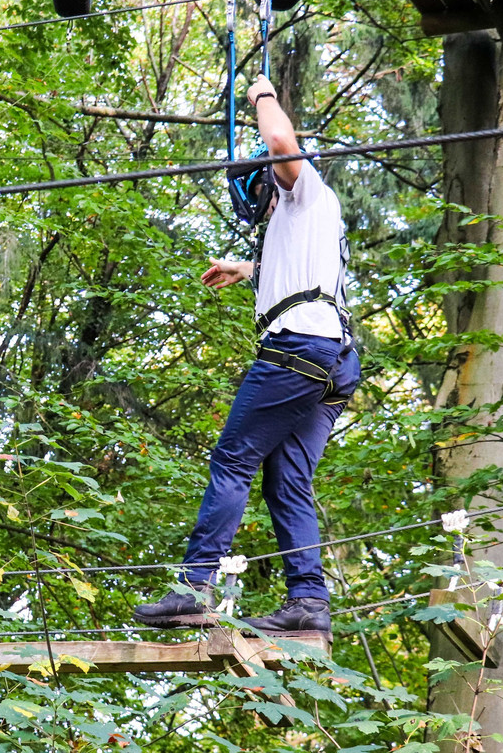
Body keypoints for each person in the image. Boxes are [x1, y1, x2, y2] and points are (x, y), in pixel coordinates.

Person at [132, 75, 360, 638]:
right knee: (287, 482)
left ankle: (195, 588)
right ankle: (308, 601)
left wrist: (261, 95)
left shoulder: (301, 189)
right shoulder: (302, 221)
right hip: (334, 358)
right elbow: (308, 274)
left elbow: (283, 146)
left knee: (233, 459)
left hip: (298, 349)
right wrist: (247, 269)